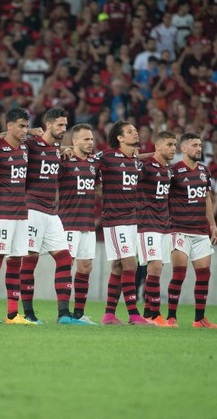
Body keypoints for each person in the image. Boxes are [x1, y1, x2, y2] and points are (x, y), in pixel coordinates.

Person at [20, 108, 87, 325]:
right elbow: (6, 136)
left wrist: (65, 149)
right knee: (30, 260)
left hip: (51, 212)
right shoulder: (31, 144)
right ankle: (28, 314)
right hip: (32, 209)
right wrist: (28, 132)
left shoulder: (57, 149)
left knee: (65, 258)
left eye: (65, 125)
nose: (63, 129)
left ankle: (63, 315)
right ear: (48, 125)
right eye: (59, 125)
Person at [98, 121, 151, 326]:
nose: (135, 133)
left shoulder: (136, 162)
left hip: (131, 219)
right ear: (119, 138)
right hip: (115, 219)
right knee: (130, 263)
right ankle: (134, 315)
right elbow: (87, 166)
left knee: (118, 266)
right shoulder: (107, 157)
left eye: (136, 131)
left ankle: (109, 314)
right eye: (130, 132)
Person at [166, 132, 217, 328]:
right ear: (184, 149)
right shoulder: (173, 171)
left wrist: (212, 225)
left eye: (200, 145)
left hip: (200, 231)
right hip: (179, 229)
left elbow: (206, 198)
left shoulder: (205, 171)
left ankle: (199, 319)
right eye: (195, 145)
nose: (199, 148)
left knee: (204, 274)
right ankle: (171, 317)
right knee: (179, 274)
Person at [0, 107, 32, 325]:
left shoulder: (25, 149)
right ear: (9, 126)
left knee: (16, 261)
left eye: (26, 126)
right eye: (21, 126)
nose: (25, 130)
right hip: (1, 213)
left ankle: (12, 314)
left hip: (21, 214)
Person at [58, 124, 99, 324]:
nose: (90, 143)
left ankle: (79, 314)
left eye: (91, 139)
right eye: (85, 139)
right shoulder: (65, 160)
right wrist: (60, 150)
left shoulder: (94, 162)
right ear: (74, 141)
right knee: (67, 264)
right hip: (68, 222)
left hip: (88, 223)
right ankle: (63, 314)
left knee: (85, 267)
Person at [137, 130, 177, 326]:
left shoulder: (168, 170)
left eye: (175, 145)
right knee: (155, 266)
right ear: (158, 146)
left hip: (164, 225)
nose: (174, 149)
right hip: (147, 223)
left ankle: (148, 314)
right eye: (169, 145)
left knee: (157, 269)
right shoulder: (145, 167)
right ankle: (156, 314)